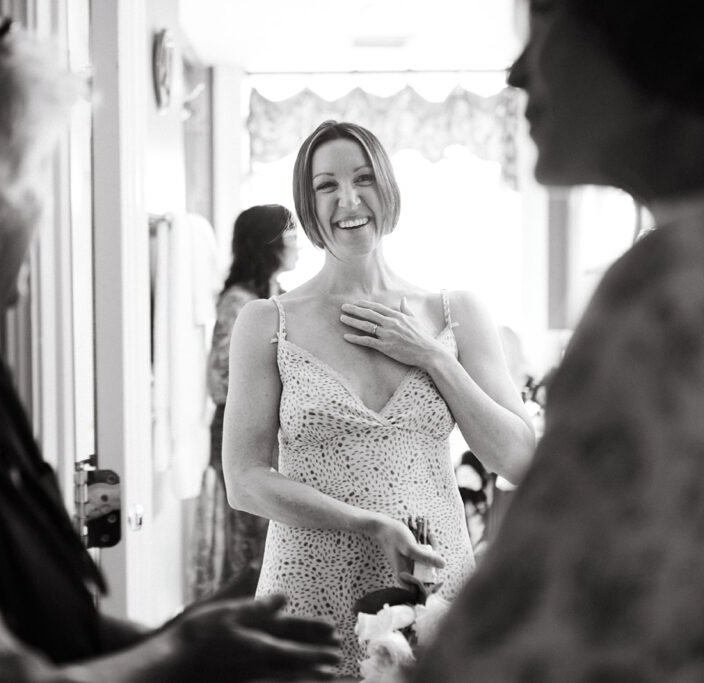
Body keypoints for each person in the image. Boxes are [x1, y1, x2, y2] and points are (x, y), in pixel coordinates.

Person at [0, 1, 339, 681]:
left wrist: (183, 635)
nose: (43, 210)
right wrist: (172, 658)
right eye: (36, 176)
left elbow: (41, 627)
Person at [413, 0, 704, 680]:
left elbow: (539, 657)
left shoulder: (693, 285)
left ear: (653, 27)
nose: (518, 73)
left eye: (545, 24)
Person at [222, 120, 537, 676]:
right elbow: (244, 481)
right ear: (308, 204)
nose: (348, 199)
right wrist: (366, 523)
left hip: (432, 593)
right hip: (306, 593)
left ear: (387, 187)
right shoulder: (267, 321)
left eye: (363, 178)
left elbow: (516, 458)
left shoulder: (455, 313)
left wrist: (433, 357)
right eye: (326, 185)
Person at [191, 204, 299, 601]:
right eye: (291, 238)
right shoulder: (238, 302)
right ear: (268, 244)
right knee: (249, 535)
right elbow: (219, 379)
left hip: (281, 432)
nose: (298, 246)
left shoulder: (284, 298)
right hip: (240, 428)